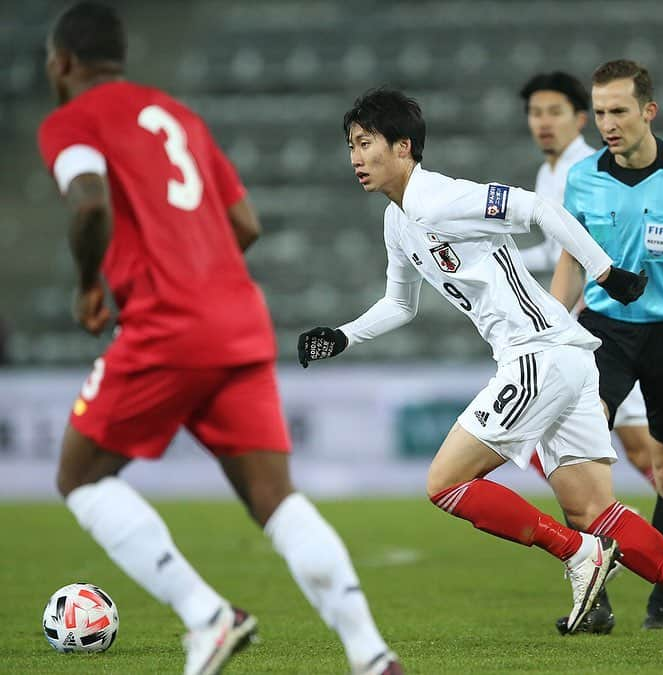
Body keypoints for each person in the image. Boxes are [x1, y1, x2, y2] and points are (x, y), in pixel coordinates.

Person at [297, 87, 663, 653]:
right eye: (351, 147)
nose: (355, 157)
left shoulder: (441, 198)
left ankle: (579, 554)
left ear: (403, 146)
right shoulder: (399, 220)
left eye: (365, 144)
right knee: (593, 509)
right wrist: (342, 335)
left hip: (539, 355)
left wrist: (603, 272)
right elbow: (402, 304)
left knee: (445, 483)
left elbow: (536, 208)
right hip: (567, 359)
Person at [38, 4, 401, 675]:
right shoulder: (179, 117)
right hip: (237, 317)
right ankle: (371, 654)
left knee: (79, 476)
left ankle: (208, 616)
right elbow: (246, 221)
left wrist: (89, 282)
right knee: (277, 500)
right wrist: (198, 263)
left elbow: (88, 200)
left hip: (165, 323)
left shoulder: (72, 120)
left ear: (62, 64)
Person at [518, 70, 663, 634]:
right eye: (600, 114)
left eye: (619, 112)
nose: (608, 125)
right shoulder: (581, 179)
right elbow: (572, 264)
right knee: (578, 452)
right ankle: (593, 593)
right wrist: (549, 331)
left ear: (650, 111)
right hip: (605, 331)